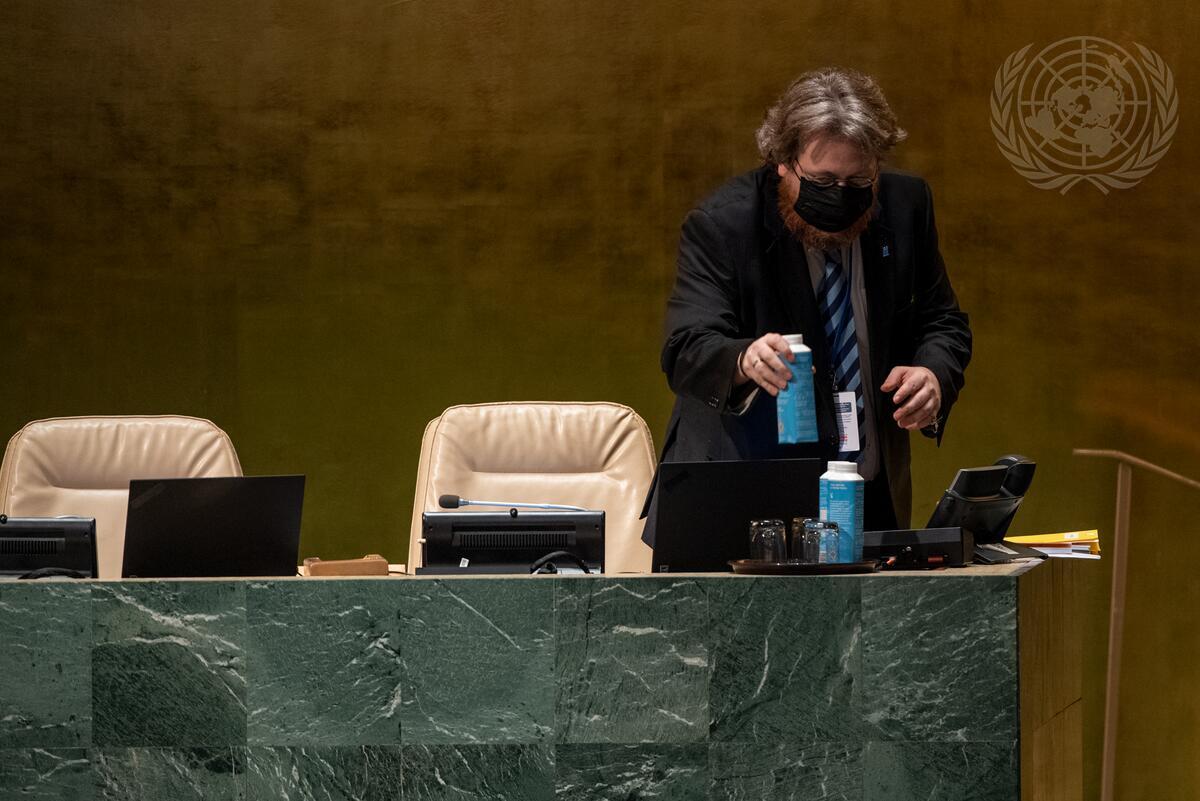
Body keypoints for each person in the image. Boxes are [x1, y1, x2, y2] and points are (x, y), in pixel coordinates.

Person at [643, 67, 972, 539]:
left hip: (865, 496)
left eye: (857, 181)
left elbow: (942, 320)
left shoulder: (906, 206)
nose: (839, 197)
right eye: (822, 181)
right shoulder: (724, 224)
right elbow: (686, 347)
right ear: (783, 161)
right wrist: (744, 358)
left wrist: (933, 374)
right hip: (743, 498)